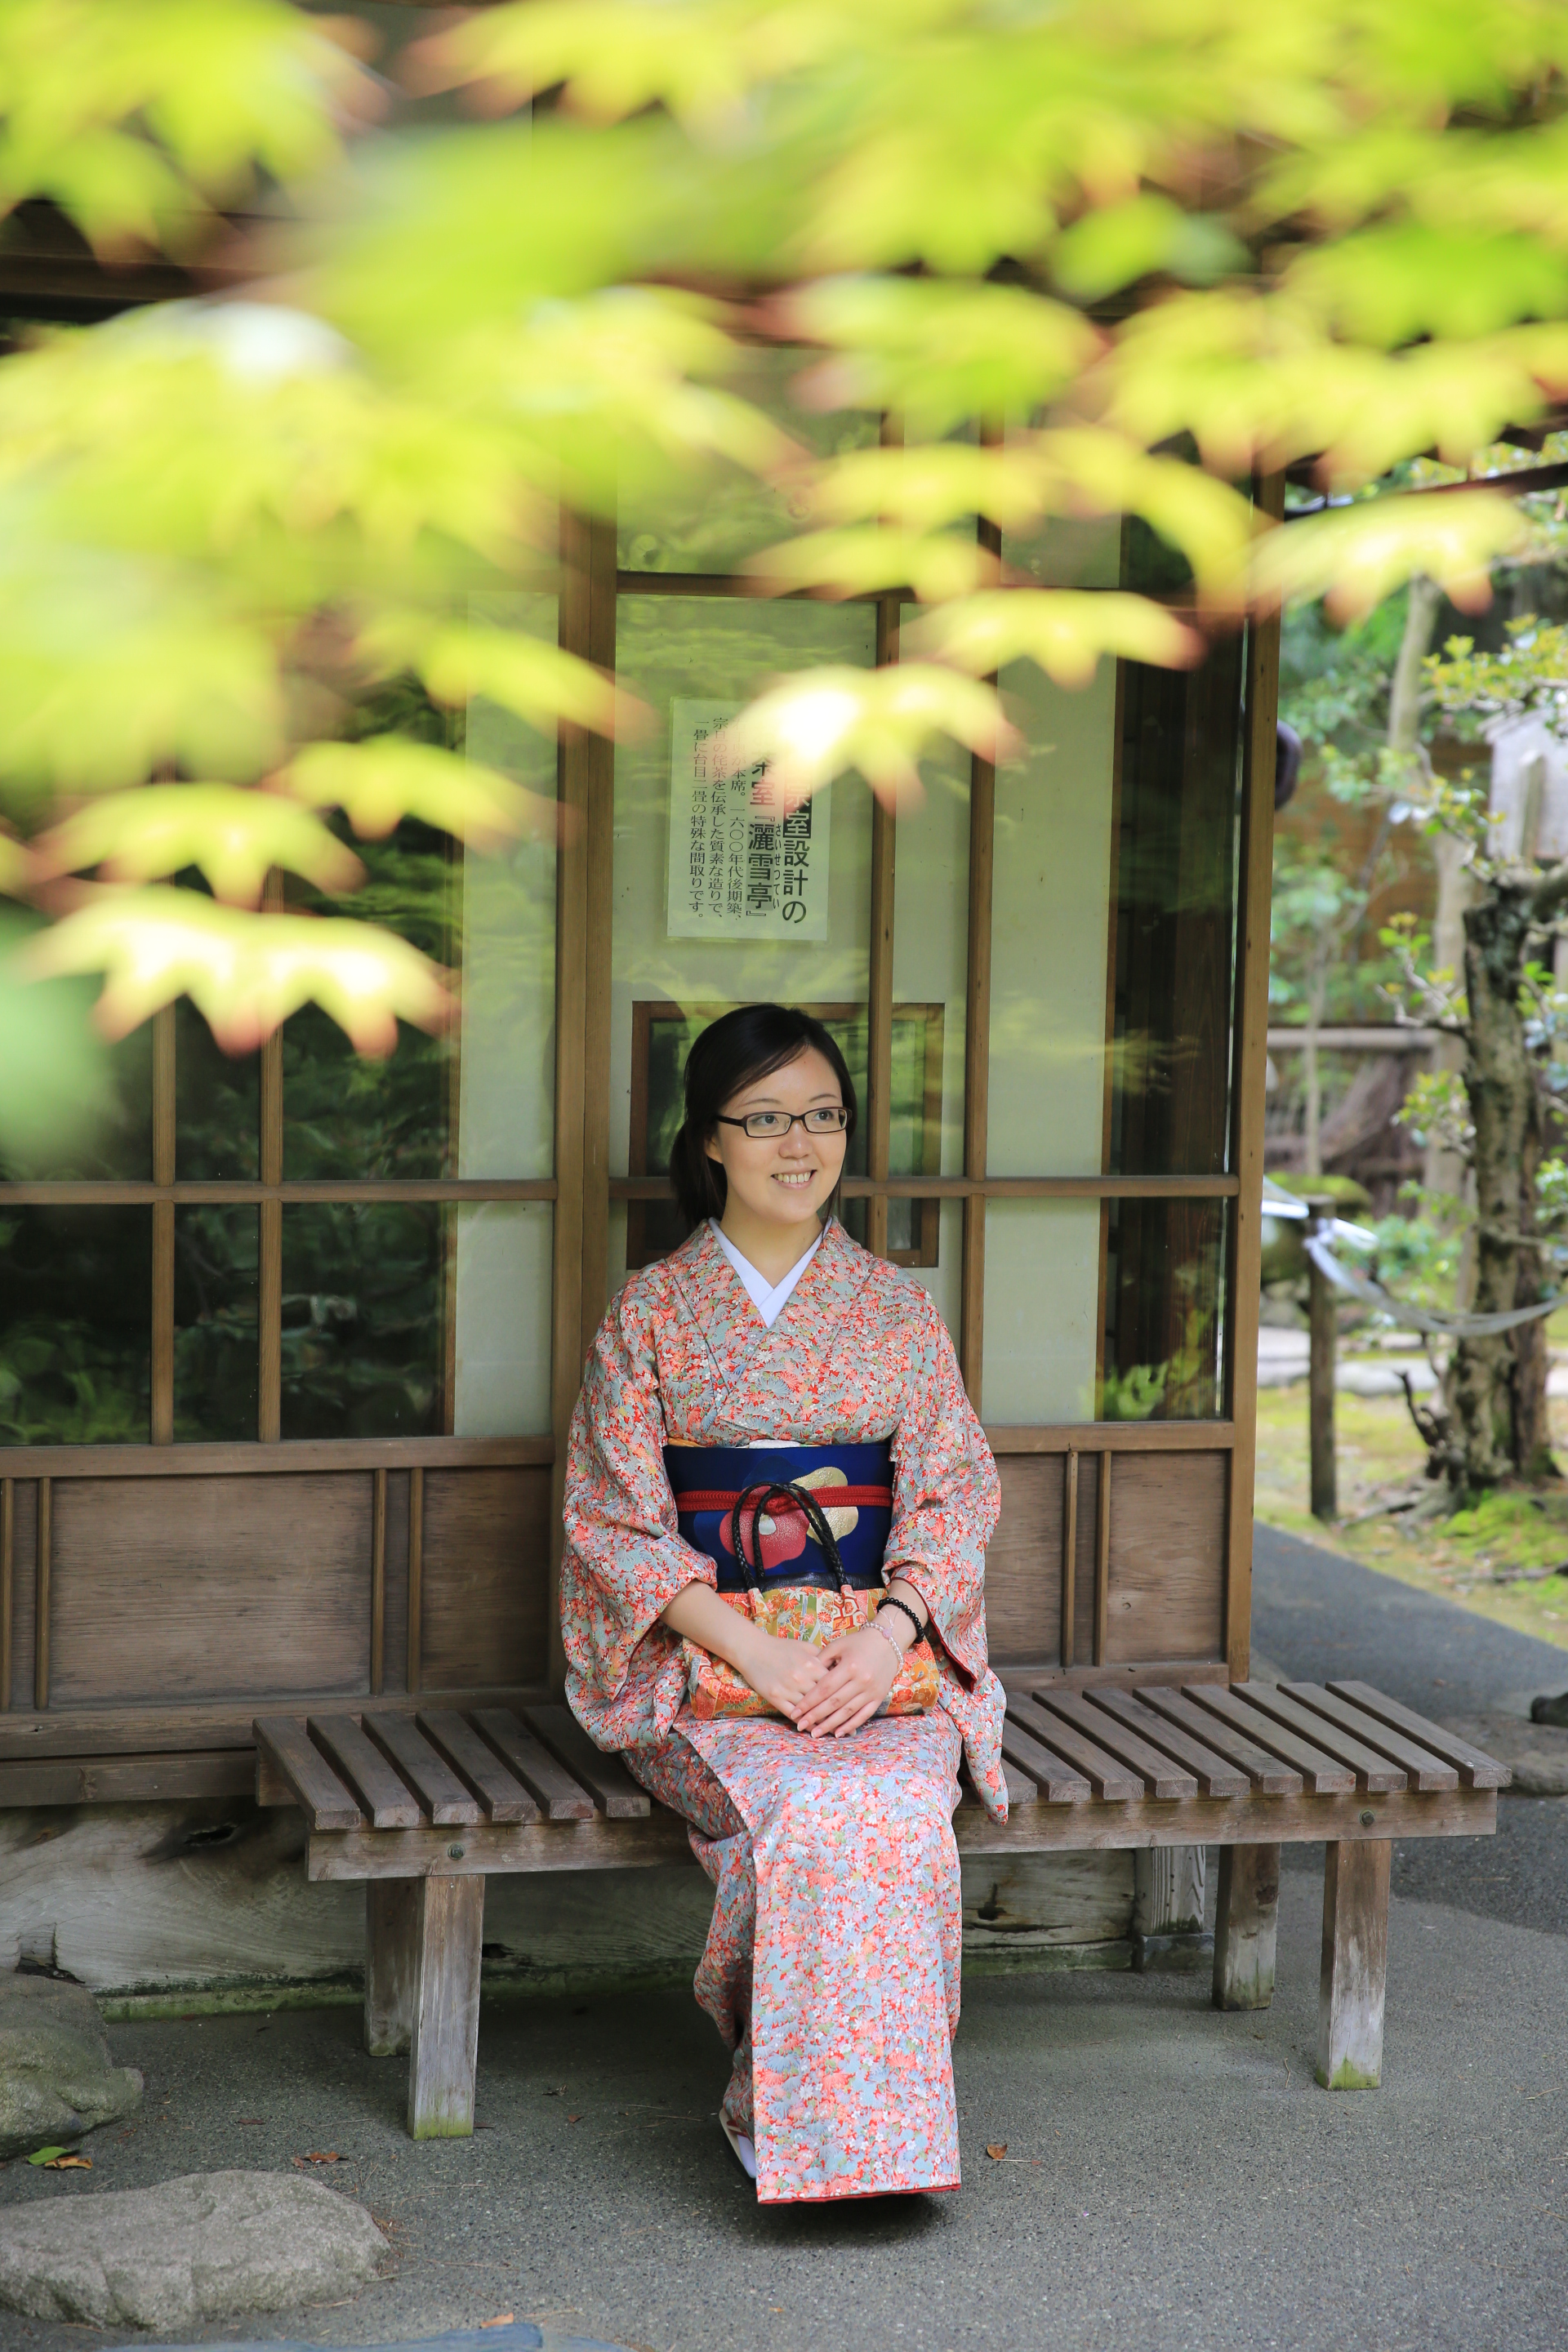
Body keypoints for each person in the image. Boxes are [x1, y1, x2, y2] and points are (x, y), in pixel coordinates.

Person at [562, 1001, 1006, 2205]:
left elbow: (953, 1497)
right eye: (764, 1119)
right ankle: (804, 2125)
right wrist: (753, 1653)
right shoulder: (650, 1313)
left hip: (875, 1665)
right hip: (707, 1668)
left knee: (896, 1816)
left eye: (822, 1115)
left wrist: (889, 1635)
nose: (798, 1144)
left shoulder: (895, 1309)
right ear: (711, 1140)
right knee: (806, 1813)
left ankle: (857, 2137)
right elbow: (613, 1521)